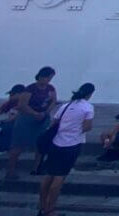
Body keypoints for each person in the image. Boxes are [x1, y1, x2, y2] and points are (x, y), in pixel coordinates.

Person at [38, 82, 95, 216]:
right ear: (90, 94)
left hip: (56, 143)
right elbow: (87, 127)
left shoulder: (65, 106)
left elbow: (54, 123)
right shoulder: (87, 107)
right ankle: (50, 210)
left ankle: (42, 206)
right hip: (71, 145)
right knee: (59, 179)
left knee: (49, 176)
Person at [4, 66, 57, 180]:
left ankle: (36, 168)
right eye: (48, 77)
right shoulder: (29, 89)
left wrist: (46, 112)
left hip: (42, 118)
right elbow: (22, 105)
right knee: (18, 145)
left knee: (40, 145)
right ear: (41, 76)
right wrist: (34, 114)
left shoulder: (50, 88)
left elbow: (53, 100)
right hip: (27, 119)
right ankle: (10, 171)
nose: (49, 80)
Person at [0, 84, 26, 153]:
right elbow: (0, 111)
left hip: (18, 126)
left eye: (12, 94)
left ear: (20, 94)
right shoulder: (9, 103)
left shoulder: (24, 104)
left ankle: (3, 148)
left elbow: (15, 117)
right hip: (6, 122)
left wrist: (3, 120)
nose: (10, 96)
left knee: (8, 128)